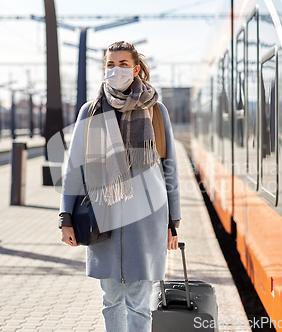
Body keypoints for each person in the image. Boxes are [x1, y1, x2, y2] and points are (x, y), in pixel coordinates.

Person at [58, 41, 182, 332]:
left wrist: (173, 222)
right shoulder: (90, 112)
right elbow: (73, 168)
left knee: (139, 302)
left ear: (136, 68)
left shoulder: (155, 110)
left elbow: (170, 168)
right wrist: (65, 218)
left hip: (148, 218)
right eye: (110, 64)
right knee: (111, 299)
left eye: (123, 64)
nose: (116, 70)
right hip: (103, 217)